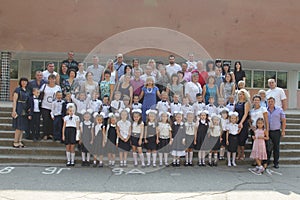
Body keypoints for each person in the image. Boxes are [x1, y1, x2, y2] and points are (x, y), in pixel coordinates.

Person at [266, 97, 286, 169]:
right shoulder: (265, 110)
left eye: (272, 101)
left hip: (276, 131)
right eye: (269, 102)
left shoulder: (279, 110)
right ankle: (267, 161)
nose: (270, 103)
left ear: (274, 102)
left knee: (276, 147)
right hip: (268, 131)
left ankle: (276, 162)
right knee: (268, 147)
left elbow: (283, 120)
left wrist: (283, 131)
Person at [40, 74, 61, 140]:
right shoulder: (44, 86)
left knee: (52, 121)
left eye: (53, 79)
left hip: (54, 106)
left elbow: (59, 95)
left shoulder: (58, 87)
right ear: (48, 80)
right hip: (45, 106)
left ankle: (51, 134)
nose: (52, 80)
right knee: (45, 120)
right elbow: (40, 93)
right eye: (50, 79)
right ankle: (45, 134)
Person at [12, 77, 31, 148]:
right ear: (20, 82)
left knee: (23, 126)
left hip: (25, 108)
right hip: (19, 108)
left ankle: (20, 141)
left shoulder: (27, 91)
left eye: (25, 81)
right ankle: (15, 141)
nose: (24, 83)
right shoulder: (17, 90)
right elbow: (14, 100)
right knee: (18, 126)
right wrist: (14, 110)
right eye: (23, 81)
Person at [234, 89, 250, 160]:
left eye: (242, 94)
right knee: (237, 139)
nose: (241, 95)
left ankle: (242, 153)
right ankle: (238, 153)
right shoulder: (236, 103)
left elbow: (245, 114)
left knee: (242, 139)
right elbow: (234, 112)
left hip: (243, 122)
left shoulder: (246, 103)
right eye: (240, 94)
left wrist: (241, 122)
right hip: (236, 122)